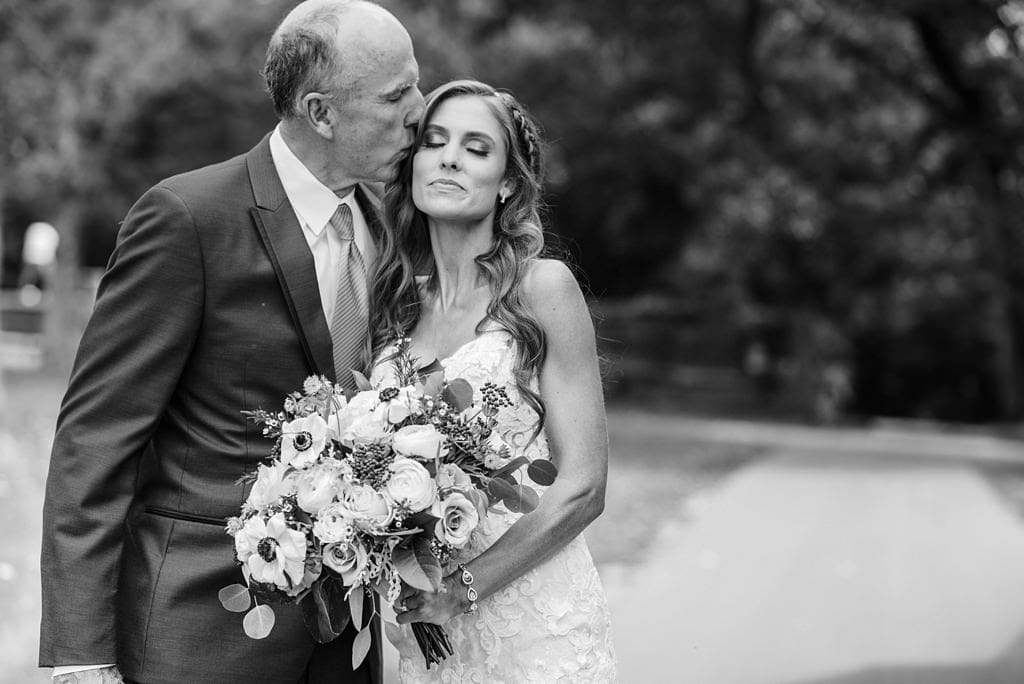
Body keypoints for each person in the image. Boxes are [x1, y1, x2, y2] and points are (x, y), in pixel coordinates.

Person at [38, 1, 424, 682]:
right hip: (201, 632)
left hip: (342, 642)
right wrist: (81, 656)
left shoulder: (390, 223)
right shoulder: (189, 218)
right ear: (321, 112)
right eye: (396, 96)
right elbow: (96, 438)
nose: (419, 111)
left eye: (416, 85)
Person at [369, 80, 618, 681]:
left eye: (476, 148)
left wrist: (464, 588)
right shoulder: (392, 304)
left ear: (508, 183)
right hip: (424, 624)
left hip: (534, 617)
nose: (450, 158)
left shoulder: (542, 288)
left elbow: (584, 486)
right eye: (434, 143)